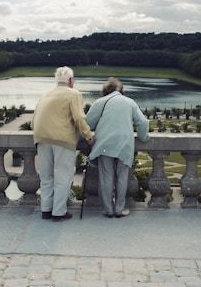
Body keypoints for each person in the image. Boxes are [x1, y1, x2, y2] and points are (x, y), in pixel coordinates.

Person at [31, 66, 94, 222]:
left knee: (46, 177)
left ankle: (46, 209)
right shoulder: (74, 94)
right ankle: (58, 212)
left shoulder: (45, 94)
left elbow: (33, 120)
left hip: (41, 138)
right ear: (71, 81)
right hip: (62, 139)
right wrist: (88, 135)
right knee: (63, 177)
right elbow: (79, 118)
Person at [86, 77, 150, 218]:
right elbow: (144, 122)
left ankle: (108, 210)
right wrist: (143, 137)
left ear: (105, 91)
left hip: (105, 143)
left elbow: (88, 124)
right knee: (122, 176)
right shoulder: (130, 102)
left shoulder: (100, 102)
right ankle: (120, 209)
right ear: (121, 90)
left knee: (106, 177)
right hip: (125, 143)